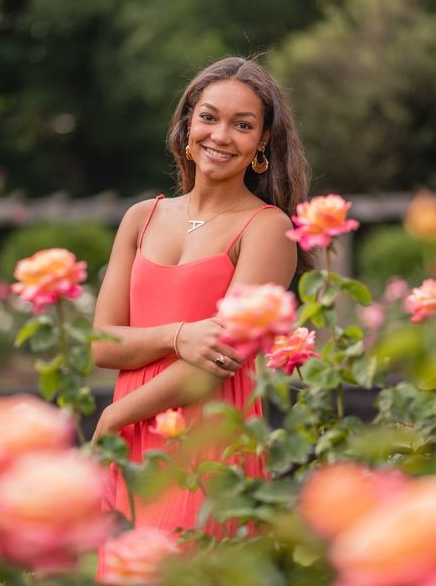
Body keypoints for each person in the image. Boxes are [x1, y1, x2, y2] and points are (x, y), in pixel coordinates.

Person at [92, 56, 310, 547]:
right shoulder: (140, 218)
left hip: (207, 441)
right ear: (188, 124)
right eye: (209, 116)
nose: (221, 135)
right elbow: (103, 345)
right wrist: (178, 335)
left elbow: (213, 363)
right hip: (134, 445)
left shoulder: (268, 228)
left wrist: (112, 416)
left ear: (263, 142)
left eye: (243, 125)